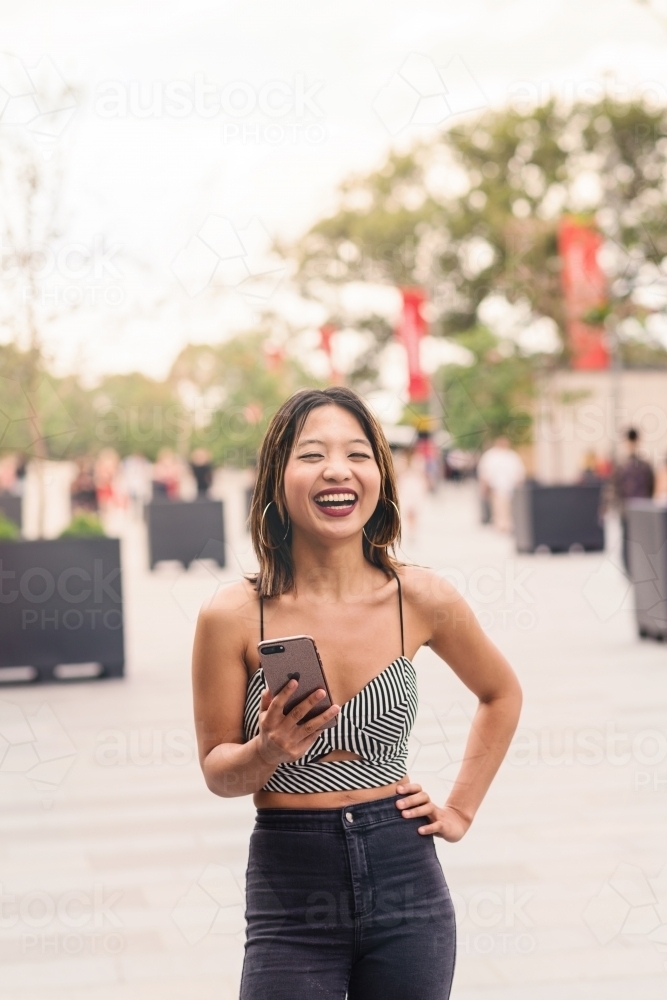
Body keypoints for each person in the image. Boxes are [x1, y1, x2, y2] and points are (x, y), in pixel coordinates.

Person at [192, 387, 522, 1000]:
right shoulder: (232, 614)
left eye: (358, 454)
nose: (338, 470)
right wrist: (266, 751)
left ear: (380, 475)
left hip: (407, 882)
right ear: (276, 478)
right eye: (311, 454)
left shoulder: (420, 597)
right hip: (290, 889)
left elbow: (501, 693)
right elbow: (218, 772)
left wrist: (460, 810)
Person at [613, 428, 655, 572]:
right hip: (627, 511)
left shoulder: (644, 466)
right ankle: (630, 571)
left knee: (641, 542)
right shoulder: (622, 466)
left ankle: (640, 570)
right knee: (627, 543)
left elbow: (651, 486)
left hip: (642, 510)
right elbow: (615, 488)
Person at [476, 436, 525, 533]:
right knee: (499, 506)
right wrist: (484, 485)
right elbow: (484, 472)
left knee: (507, 507)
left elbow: (519, 471)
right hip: (496, 486)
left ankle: (505, 524)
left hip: (509, 486)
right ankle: (501, 524)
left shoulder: (511, 455)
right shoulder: (492, 455)